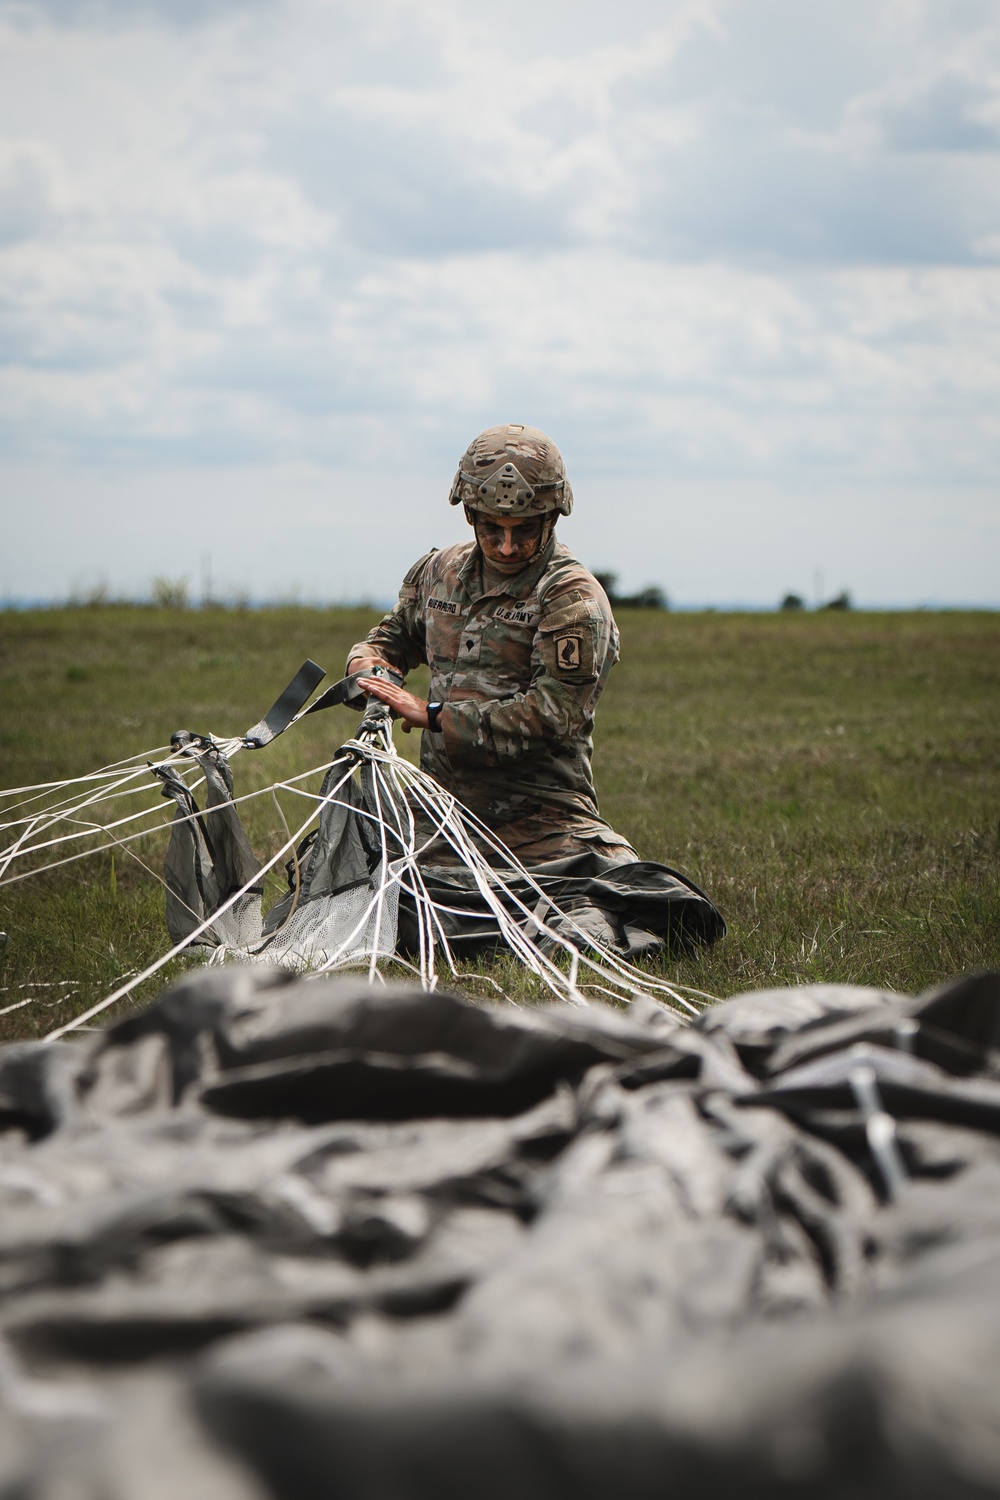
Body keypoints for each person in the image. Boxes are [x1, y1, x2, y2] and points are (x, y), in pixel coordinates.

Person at [346, 422, 639, 868]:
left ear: (551, 517)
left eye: (522, 531)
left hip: (542, 820)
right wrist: (368, 668)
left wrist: (433, 717)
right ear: (470, 515)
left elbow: (551, 715)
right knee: (350, 876)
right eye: (491, 529)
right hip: (439, 812)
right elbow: (390, 641)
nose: (505, 546)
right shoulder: (439, 572)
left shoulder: (572, 598)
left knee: (618, 895)